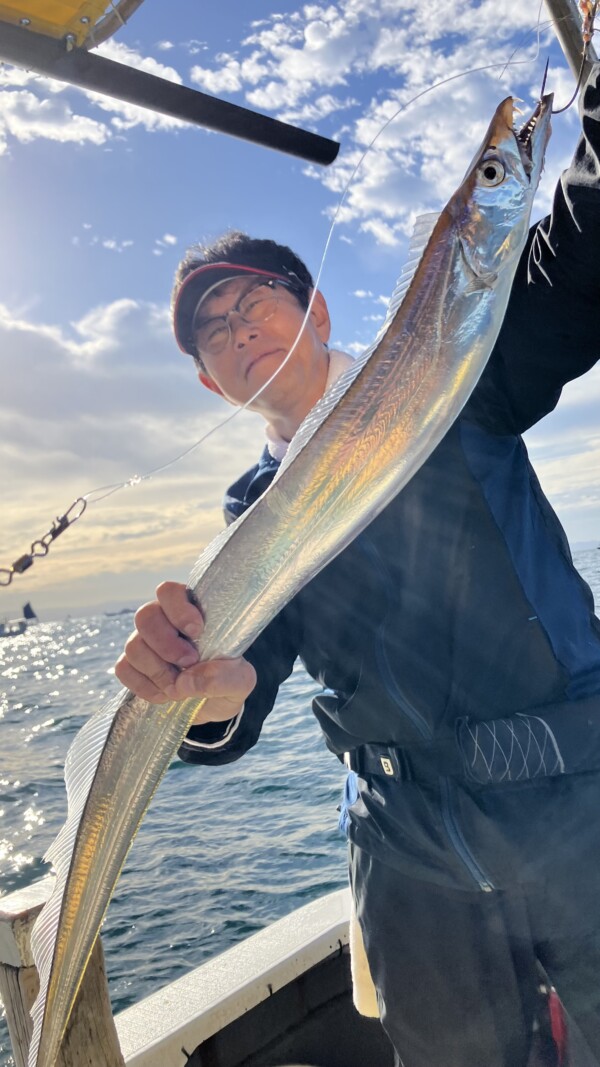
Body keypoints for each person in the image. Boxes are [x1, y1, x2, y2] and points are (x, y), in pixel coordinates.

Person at [116, 65, 600, 1067]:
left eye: (256, 300)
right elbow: (244, 691)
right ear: (212, 383)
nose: (239, 325)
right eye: (216, 329)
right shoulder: (253, 520)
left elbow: (583, 256)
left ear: (320, 311)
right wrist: (207, 694)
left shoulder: (458, 360)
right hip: (404, 850)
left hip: (576, 802)